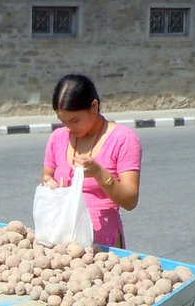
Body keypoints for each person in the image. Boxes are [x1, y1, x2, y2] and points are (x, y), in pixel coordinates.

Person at [40, 74, 142, 247]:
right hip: (61, 240)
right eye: (63, 121)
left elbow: (130, 201)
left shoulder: (123, 139)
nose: (69, 128)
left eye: (75, 120)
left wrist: (99, 173)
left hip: (102, 244)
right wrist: (48, 183)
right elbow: (46, 176)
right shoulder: (58, 138)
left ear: (94, 106)